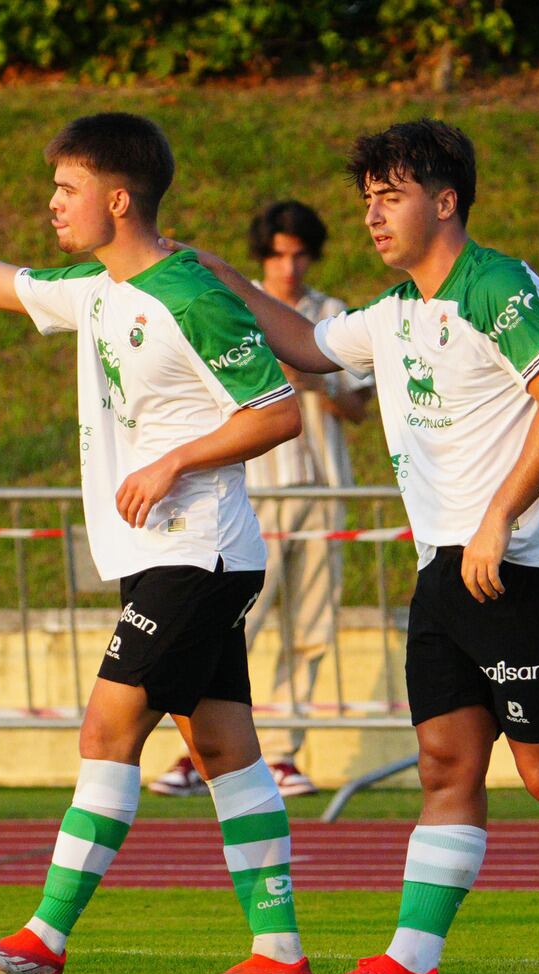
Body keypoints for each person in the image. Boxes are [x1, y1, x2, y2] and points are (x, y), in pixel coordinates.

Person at [181, 117, 539, 974]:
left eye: (389, 197)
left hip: (523, 562)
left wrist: (498, 517)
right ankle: (411, 960)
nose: (372, 216)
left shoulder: (497, 285)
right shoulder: (394, 314)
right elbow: (311, 347)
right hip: (446, 567)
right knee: (445, 763)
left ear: (444, 200)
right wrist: (215, 273)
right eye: (366, 201)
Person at [0, 112, 315, 974]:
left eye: (67, 188)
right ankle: (278, 950)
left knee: (107, 729)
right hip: (169, 556)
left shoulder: (190, 293)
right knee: (225, 747)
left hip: (196, 554)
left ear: (118, 199)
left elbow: (278, 409)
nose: (52, 203)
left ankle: (44, 938)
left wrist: (174, 460)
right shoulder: (97, 292)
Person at [148, 201, 371, 799]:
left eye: (299, 253)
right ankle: (196, 751)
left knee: (312, 622)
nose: (289, 265)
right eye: (277, 253)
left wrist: (315, 380)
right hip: (251, 489)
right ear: (262, 255)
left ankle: (283, 753)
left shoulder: (331, 317)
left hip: (322, 490)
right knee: (229, 622)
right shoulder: (229, 306)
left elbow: (358, 407)